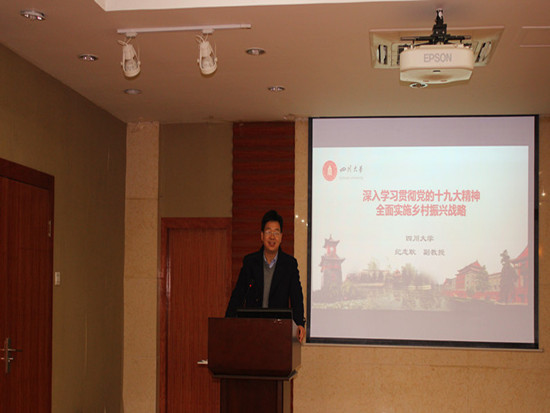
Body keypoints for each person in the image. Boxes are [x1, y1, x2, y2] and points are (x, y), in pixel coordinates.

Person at [225, 210, 306, 343]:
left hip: (279, 330)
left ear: (281, 237)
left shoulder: (289, 264)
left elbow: (296, 296)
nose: (272, 237)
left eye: (276, 232)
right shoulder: (250, 262)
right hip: (252, 330)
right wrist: (228, 321)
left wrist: (299, 323)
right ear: (262, 236)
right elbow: (238, 294)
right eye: (268, 232)